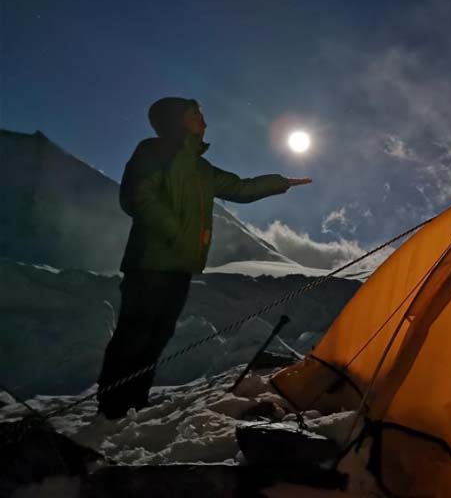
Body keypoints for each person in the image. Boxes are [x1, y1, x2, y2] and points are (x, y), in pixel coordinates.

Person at [96, 97, 311, 419]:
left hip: (181, 264)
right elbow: (138, 196)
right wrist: (175, 231)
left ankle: (136, 400)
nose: (204, 121)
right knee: (135, 332)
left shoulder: (202, 169)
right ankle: (112, 405)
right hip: (149, 260)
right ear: (177, 119)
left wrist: (280, 183)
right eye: (196, 115)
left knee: (158, 334)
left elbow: (240, 188)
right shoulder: (152, 151)